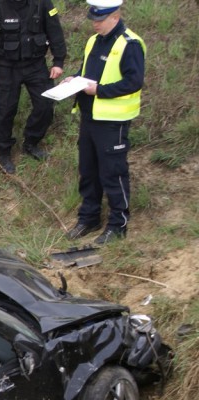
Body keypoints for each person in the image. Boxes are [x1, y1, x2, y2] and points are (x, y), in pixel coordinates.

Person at [65, 0, 145, 245]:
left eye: (99, 20)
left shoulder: (129, 44)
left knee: (113, 173)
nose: (95, 24)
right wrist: (75, 80)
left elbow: (133, 82)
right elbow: (88, 74)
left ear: (115, 16)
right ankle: (89, 217)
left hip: (113, 122)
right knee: (88, 171)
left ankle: (117, 224)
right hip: (89, 118)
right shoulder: (93, 40)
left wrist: (98, 89)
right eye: (93, 19)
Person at [0, 0, 66, 174]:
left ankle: (31, 143)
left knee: (45, 104)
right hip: (7, 66)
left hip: (36, 64)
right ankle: (3, 151)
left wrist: (58, 60)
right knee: (3, 109)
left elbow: (55, 30)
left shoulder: (42, 3)